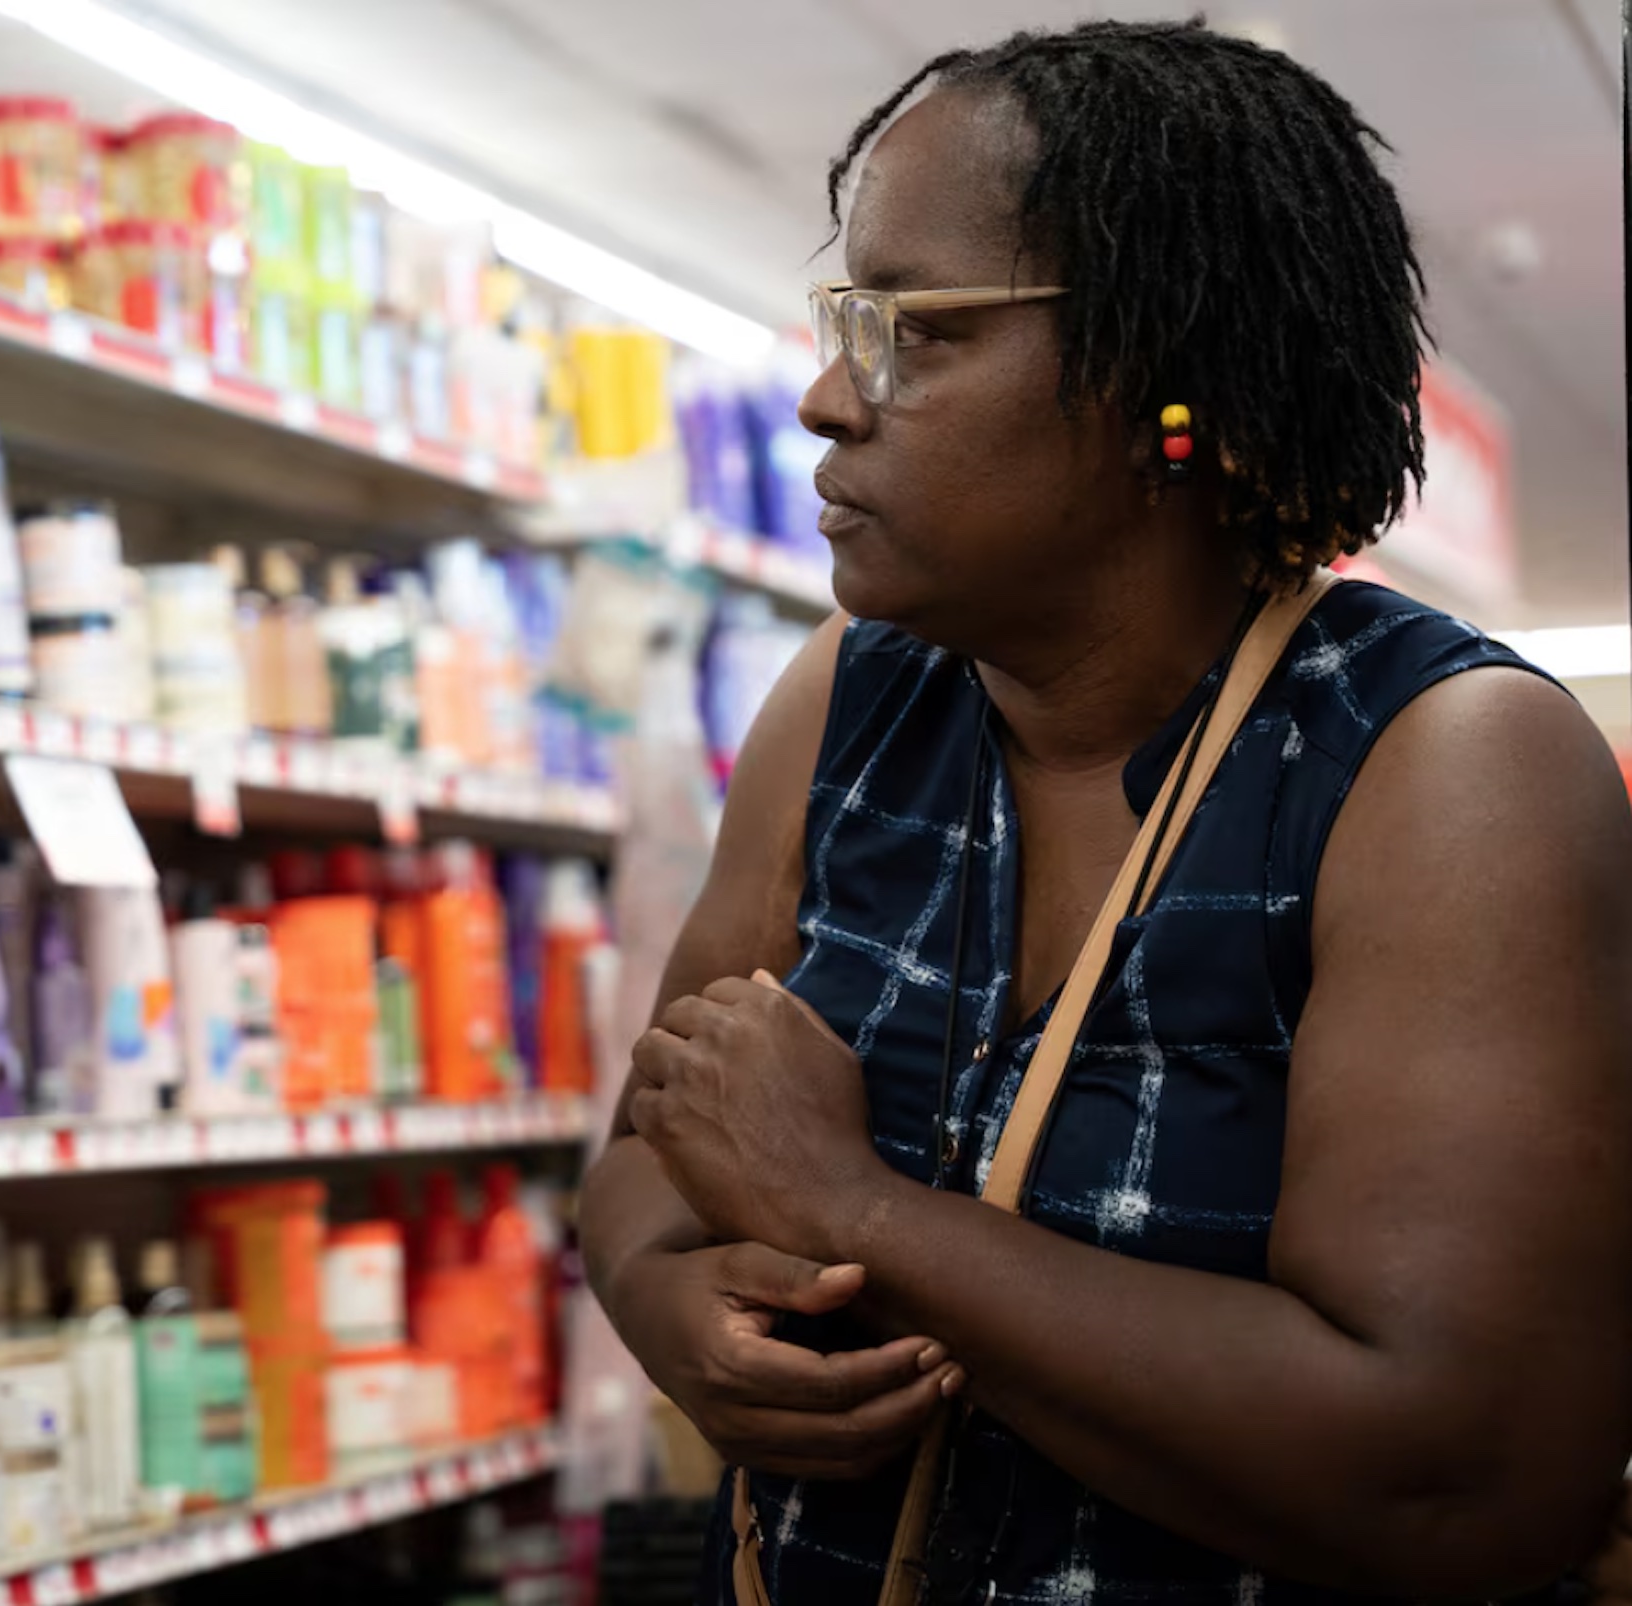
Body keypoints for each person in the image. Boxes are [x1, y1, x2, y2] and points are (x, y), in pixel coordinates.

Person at [578, 19, 1632, 1603]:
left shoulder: (1440, 765)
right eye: (841, 319)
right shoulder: (848, 703)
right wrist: (679, 1317)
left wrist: (857, 1206)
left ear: (1163, 373)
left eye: (913, 333)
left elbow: (1461, 1479)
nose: (821, 399)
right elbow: (651, 1160)